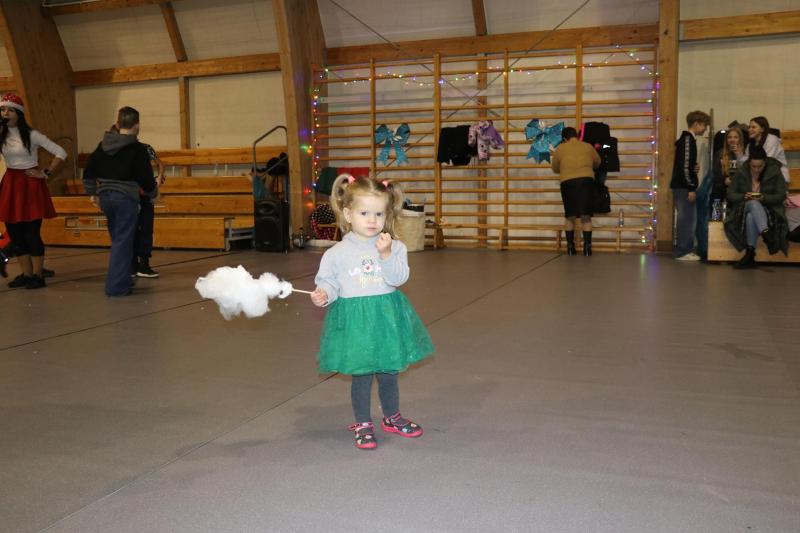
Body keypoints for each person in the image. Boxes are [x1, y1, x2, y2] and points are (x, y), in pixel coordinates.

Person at [310, 174, 434, 450]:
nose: (372, 220)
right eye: (364, 213)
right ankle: (363, 422)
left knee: (389, 372)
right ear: (348, 214)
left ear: (387, 215)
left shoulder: (395, 246)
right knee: (362, 375)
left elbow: (398, 278)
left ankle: (392, 416)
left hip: (386, 320)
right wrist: (324, 295)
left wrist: (386, 255)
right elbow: (329, 282)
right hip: (356, 323)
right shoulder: (336, 253)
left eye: (379, 214)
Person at [83, 107, 156, 296]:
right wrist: (153, 193)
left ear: (117, 124)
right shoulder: (137, 149)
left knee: (119, 240)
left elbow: (89, 171)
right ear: (137, 126)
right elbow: (146, 178)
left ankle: (123, 278)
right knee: (123, 242)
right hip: (125, 198)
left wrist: (92, 193)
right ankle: (116, 287)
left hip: (106, 197)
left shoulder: (103, 145)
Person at [0, 93, 67, 289]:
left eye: (10, 110)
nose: (5, 113)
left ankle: (38, 275)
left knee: (31, 234)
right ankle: (26, 274)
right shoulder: (1, 134)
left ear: (19, 113)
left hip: (30, 184)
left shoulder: (32, 135)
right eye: (2, 110)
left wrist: (45, 172)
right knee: (15, 233)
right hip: (11, 183)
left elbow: (61, 152)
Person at [724, 146, 788, 269]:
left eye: (760, 166)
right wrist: (744, 196)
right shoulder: (742, 172)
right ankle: (767, 234)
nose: (757, 169)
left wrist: (764, 198)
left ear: (765, 162)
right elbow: (730, 194)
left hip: (769, 210)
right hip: (743, 208)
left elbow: (781, 195)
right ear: (749, 163)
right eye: (753, 166)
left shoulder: (775, 172)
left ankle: (750, 254)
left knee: (750, 216)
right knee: (753, 203)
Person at [551, 126, 601, 256]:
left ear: (564, 139)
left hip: (568, 182)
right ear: (577, 136)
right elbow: (597, 162)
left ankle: (570, 248)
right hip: (586, 181)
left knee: (570, 216)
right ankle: (587, 249)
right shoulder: (588, 146)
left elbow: (555, 168)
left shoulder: (560, 148)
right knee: (586, 216)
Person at [670, 110, 710, 261]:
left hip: (683, 185)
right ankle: (683, 250)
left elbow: (687, 165)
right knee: (687, 219)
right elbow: (685, 167)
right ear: (696, 124)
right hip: (684, 186)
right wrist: (691, 188)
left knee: (688, 218)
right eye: (704, 125)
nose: (705, 129)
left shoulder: (689, 140)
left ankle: (685, 249)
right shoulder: (687, 140)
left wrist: (694, 167)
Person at [132, 142, 164, 278]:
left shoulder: (145, 148)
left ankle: (142, 264)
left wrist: (159, 177)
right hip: (133, 193)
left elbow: (160, 164)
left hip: (144, 192)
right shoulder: (129, 149)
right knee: (136, 229)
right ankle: (134, 265)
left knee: (145, 228)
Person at [745, 116, 790, 183]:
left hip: (778, 178)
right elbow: (746, 161)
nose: (749, 129)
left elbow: (767, 162)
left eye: (753, 127)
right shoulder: (750, 144)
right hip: (759, 177)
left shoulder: (772, 140)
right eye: (749, 127)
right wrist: (739, 154)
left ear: (762, 129)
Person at [711, 127, 747, 204]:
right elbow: (716, 174)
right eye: (729, 137)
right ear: (726, 140)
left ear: (740, 139)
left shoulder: (745, 154)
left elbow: (745, 173)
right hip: (722, 189)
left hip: (739, 190)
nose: (732, 140)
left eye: (736, 137)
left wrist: (738, 156)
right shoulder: (720, 154)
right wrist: (724, 180)